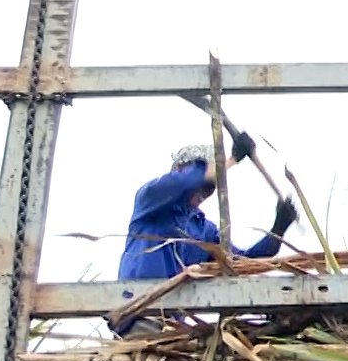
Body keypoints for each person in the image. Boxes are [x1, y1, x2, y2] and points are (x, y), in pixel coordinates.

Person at [113, 135, 297, 335]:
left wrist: (278, 229)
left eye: (210, 189)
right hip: (141, 316)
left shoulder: (203, 230)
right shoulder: (150, 201)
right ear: (179, 170)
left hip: (174, 326)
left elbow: (242, 263)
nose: (202, 194)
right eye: (203, 185)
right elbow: (185, 182)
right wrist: (231, 161)